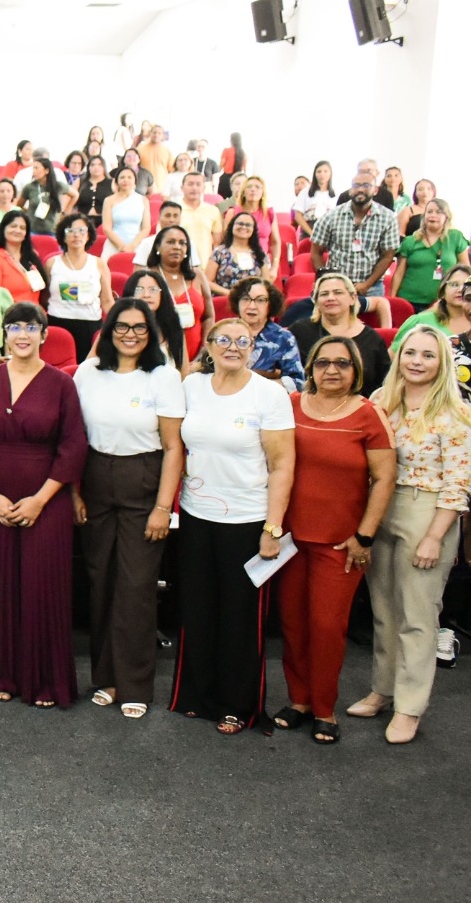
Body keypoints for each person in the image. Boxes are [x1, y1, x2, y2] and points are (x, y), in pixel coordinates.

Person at [170, 317, 296, 734]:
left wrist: (272, 528)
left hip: (247, 520)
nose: (233, 347)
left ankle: (238, 706)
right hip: (195, 516)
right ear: (208, 345)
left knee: (240, 618)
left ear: (253, 348)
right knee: (197, 610)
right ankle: (195, 696)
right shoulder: (191, 387)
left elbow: (282, 466)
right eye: (223, 339)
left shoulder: (269, 395)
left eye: (243, 341)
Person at [349, 327, 471, 744]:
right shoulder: (381, 401)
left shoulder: (455, 412)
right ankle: (383, 690)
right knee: (384, 610)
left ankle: (409, 707)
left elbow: (458, 484)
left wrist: (435, 536)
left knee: (418, 616)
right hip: (380, 507)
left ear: (442, 363)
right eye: (411, 353)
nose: (417, 361)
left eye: (428, 355)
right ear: (399, 357)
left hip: (427, 509)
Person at [272, 336, 395, 744]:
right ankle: (299, 701)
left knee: (326, 627)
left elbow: (384, 479)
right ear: (310, 368)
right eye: (323, 362)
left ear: (356, 370)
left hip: (341, 544)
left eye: (342, 363)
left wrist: (365, 536)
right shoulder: (290, 406)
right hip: (290, 540)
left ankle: (324, 709)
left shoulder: (369, 414)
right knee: (294, 624)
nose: (332, 370)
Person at [0, 302, 87, 708]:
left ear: (44, 335)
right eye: (14, 327)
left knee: (41, 587)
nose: (22, 334)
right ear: (4, 334)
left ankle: (43, 681)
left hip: (46, 499)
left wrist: (40, 500)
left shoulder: (61, 384)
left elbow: (72, 447)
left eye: (31, 327)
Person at [71, 301, 184, 719]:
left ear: (150, 332)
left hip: (144, 479)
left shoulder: (164, 376)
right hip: (95, 478)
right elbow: (74, 438)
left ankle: (135, 683)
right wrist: (74, 493)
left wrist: (163, 507)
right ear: (108, 330)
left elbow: (173, 447)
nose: (130, 334)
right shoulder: (87, 372)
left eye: (139, 327)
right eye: (122, 326)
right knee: (100, 580)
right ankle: (106, 678)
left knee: (136, 586)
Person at [289, 272, 393, 395]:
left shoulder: (372, 339)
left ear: (353, 298)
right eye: (324, 294)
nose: (331, 298)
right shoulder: (299, 331)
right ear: (316, 301)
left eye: (338, 292)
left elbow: (384, 384)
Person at [311, 172, 401, 312]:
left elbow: (388, 256)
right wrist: (327, 280)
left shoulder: (388, 218)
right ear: (350, 190)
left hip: (372, 287)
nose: (360, 189)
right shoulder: (331, 216)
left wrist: (367, 284)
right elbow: (316, 251)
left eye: (366, 185)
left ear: (375, 190)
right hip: (336, 287)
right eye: (356, 185)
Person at [46, 212, 113, 362]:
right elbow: (45, 298)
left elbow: (107, 301)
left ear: (88, 235)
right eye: (70, 231)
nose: (76, 235)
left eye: (81, 230)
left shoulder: (99, 264)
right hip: (58, 323)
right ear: (63, 236)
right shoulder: (52, 264)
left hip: (89, 325)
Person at [148, 225, 212, 364]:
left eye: (182, 243)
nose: (177, 247)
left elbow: (208, 316)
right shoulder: (147, 277)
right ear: (158, 247)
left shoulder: (197, 275)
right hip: (158, 356)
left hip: (197, 357)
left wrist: (205, 348)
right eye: (171, 242)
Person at [390, 199, 469, 311]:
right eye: (429, 212)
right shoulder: (410, 241)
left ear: (446, 216)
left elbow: (466, 269)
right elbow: (398, 273)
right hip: (409, 301)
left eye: (438, 212)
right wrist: (392, 300)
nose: (433, 215)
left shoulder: (455, 238)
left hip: (443, 302)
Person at [231, 277, 305, 390]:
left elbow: (297, 382)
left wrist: (257, 386)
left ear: (270, 305)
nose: (251, 306)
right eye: (245, 299)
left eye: (260, 300)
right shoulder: (224, 332)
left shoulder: (283, 338)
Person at [0, 209, 49, 307]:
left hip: (36, 312)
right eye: (13, 226)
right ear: (3, 229)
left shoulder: (32, 258)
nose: (17, 230)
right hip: (10, 313)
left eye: (22, 228)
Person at [223, 177, 281, 273]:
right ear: (243, 192)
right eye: (249, 187)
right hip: (236, 262)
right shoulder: (232, 212)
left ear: (263, 193)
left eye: (257, 187)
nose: (253, 189)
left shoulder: (269, 213)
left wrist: (275, 267)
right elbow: (225, 240)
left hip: (262, 262)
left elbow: (275, 242)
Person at [206, 210, 272, 290]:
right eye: (240, 224)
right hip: (225, 296)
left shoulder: (260, 254)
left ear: (253, 230)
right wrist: (230, 294)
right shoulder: (219, 252)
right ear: (232, 227)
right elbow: (207, 282)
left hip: (253, 297)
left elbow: (266, 283)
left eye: (248, 225)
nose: (243, 227)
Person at [101, 166, 149, 254]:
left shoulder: (143, 200)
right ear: (117, 181)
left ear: (135, 181)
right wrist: (122, 247)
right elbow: (107, 228)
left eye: (129, 177)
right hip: (114, 244)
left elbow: (146, 228)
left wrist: (132, 246)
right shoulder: (109, 200)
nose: (126, 180)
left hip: (137, 245)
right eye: (122, 177)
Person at [18, 157, 66, 236]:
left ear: (47, 170)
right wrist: (28, 212)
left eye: (36, 168)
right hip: (32, 229)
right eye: (33, 168)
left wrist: (64, 213)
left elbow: (75, 195)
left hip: (52, 229)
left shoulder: (58, 186)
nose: (34, 171)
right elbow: (19, 205)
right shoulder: (29, 187)